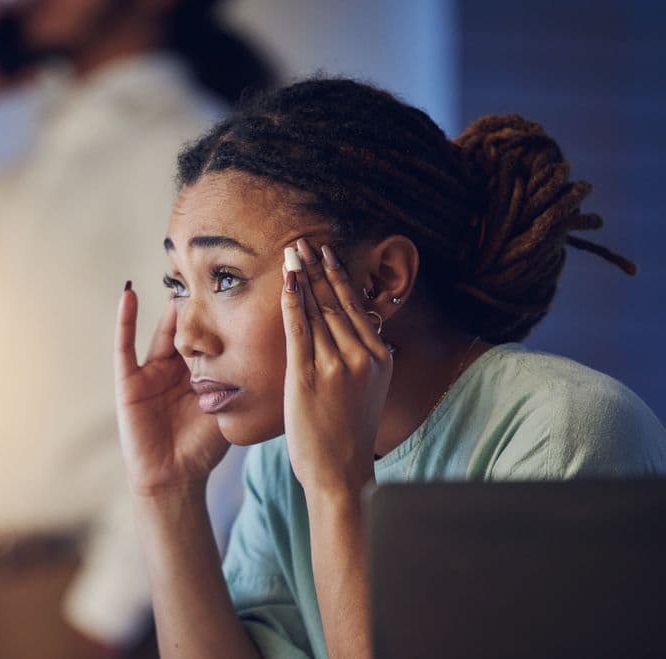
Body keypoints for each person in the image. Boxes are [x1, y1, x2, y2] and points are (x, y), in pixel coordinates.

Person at [113, 77, 666, 658]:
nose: (187, 338)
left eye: (225, 277)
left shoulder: (569, 434)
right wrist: (168, 491)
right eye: (179, 285)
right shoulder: (282, 462)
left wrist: (339, 490)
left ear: (381, 279)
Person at [0, 1, 275, 657]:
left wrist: (106, 612)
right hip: (3, 583)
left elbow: (219, 385)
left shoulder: (181, 151)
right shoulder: (26, 178)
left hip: (99, 598)